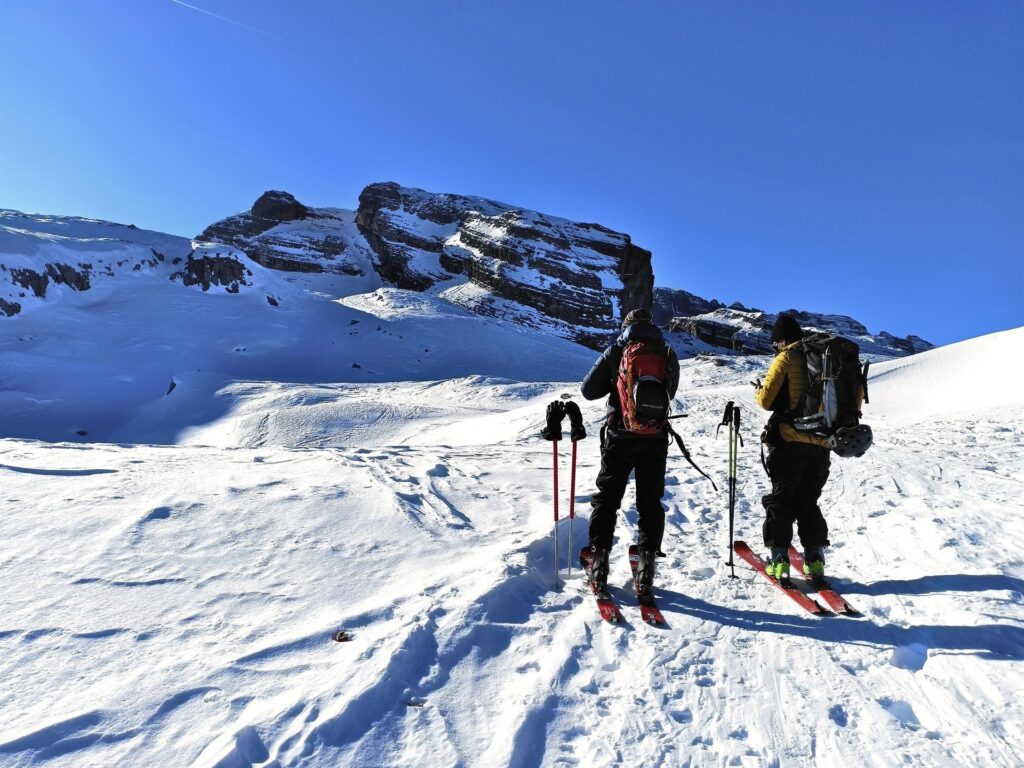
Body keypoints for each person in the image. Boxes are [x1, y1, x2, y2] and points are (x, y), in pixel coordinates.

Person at [580, 307, 679, 601]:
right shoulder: (667, 351)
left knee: (608, 498)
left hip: (620, 437)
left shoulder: (618, 349)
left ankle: (598, 563)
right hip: (655, 437)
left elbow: (588, 390)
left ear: (627, 326)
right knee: (650, 502)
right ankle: (646, 567)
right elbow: (668, 393)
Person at [754, 314, 830, 580]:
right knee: (808, 500)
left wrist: (758, 390)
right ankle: (816, 559)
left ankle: (779, 561)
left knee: (782, 500)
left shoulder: (786, 357)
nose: (775, 347)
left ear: (781, 339)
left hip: (789, 441)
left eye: (776, 342)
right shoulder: (825, 359)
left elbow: (766, 401)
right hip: (821, 444)